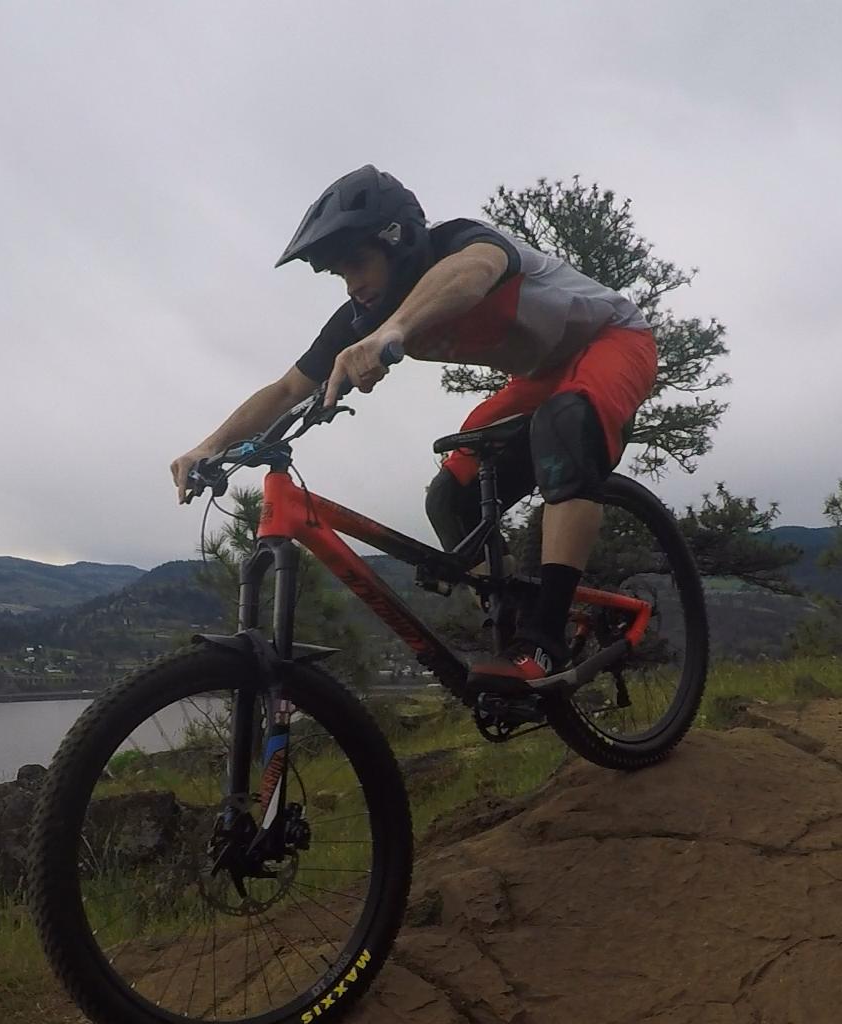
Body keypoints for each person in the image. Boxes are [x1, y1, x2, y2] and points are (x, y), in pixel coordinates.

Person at [169, 165, 657, 681]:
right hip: (540, 374)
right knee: (449, 497)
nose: (352, 284)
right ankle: (513, 622)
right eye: (340, 273)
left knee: (564, 427)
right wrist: (210, 446)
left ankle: (546, 642)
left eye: (358, 262)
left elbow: (472, 274)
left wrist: (394, 330)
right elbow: (289, 389)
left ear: (397, 240)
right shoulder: (363, 313)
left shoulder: (463, 246)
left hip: (614, 340)